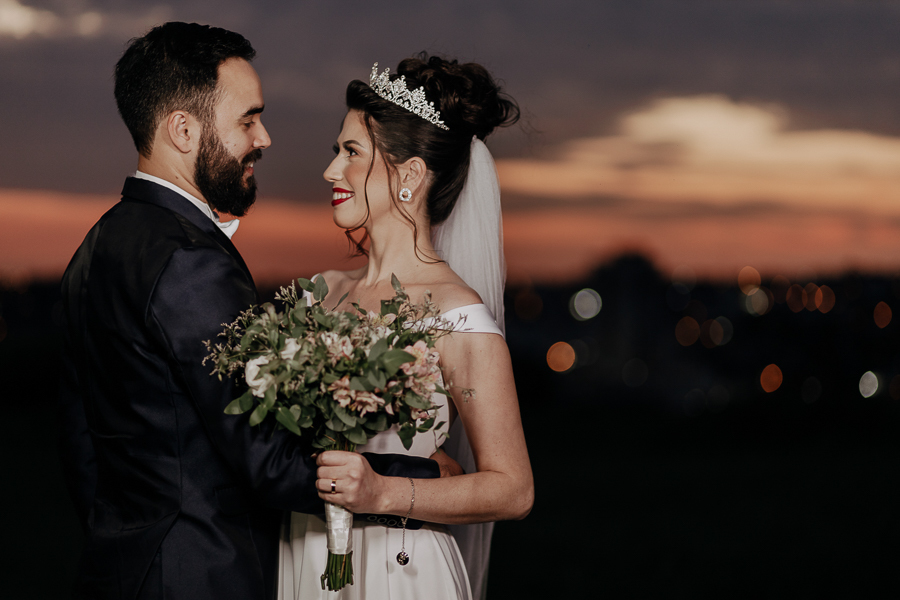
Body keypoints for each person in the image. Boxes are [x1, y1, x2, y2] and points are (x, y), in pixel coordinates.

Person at [58, 23, 447, 600]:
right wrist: (425, 480)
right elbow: (270, 464)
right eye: (247, 119)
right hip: (202, 576)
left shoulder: (95, 248)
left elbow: (82, 449)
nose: (264, 137)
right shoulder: (191, 263)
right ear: (183, 130)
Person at [277, 55, 534, 600]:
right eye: (336, 151)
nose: (331, 171)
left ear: (410, 175)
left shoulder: (455, 314)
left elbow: (513, 489)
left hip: (398, 571)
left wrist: (383, 491)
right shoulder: (317, 292)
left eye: (351, 153)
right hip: (304, 554)